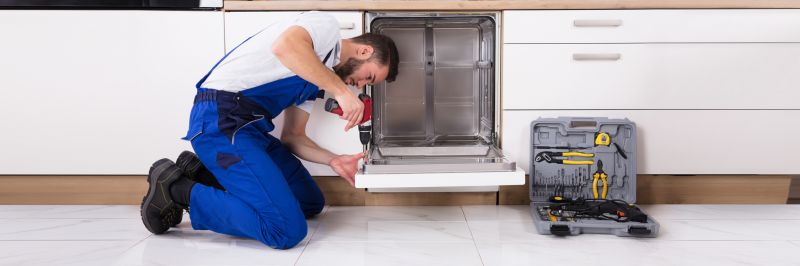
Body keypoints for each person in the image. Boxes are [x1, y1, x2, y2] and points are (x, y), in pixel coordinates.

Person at [139, 11, 399, 249]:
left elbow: (293, 137)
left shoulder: (316, 79)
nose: (360, 85)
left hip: (250, 131)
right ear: (364, 51)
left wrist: (334, 160)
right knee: (285, 231)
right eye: (369, 77)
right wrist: (341, 91)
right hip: (221, 123)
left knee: (310, 201)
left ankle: (202, 174)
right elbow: (285, 47)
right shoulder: (325, 28)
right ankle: (175, 188)